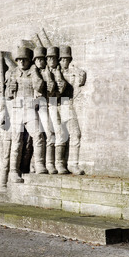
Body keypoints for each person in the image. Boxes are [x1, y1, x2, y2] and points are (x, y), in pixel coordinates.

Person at [6, 46, 47, 183]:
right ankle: (13, 171)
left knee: (38, 136)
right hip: (17, 109)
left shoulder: (33, 71)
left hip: (30, 108)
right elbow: (7, 95)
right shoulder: (13, 74)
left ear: (29, 60)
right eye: (19, 60)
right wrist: (10, 90)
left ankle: (40, 164)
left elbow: (39, 85)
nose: (22, 62)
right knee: (17, 141)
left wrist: (34, 72)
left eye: (24, 60)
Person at [58, 45, 86, 175]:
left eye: (67, 59)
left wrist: (75, 69)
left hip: (67, 105)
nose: (65, 62)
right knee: (57, 137)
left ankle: (73, 164)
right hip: (54, 105)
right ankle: (57, 164)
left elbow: (81, 78)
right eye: (62, 59)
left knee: (75, 134)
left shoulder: (71, 72)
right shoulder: (54, 72)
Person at [31, 46, 57, 174]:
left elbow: (51, 89)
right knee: (37, 137)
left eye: (42, 59)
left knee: (50, 133)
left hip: (47, 105)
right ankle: (36, 164)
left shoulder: (48, 72)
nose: (40, 61)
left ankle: (49, 163)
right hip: (36, 106)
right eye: (38, 59)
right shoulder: (31, 73)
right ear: (34, 61)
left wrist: (48, 75)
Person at [45, 46, 69, 174]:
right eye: (49, 58)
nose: (51, 60)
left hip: (59, 103)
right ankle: (50, 163)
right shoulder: (43, 72)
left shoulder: (59, 71)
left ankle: (59, 163)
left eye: (53, 58)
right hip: (47, 104)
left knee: (61, 133)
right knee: (51, 134)